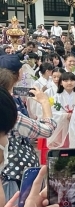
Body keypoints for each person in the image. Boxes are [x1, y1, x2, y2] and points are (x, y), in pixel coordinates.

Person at [0, 57, 56, 199]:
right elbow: (46, 130)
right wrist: (44, 102)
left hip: (11, 171)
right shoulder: (10, 111)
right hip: (14, 174)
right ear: (19, 74)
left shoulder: (12, 97)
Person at [46, 71, 75, 151]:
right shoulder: (56, 97)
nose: (69, 83)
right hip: (61, 128)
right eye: (66, 80)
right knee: (62, 149)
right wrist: (65, 115)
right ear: (61, 83)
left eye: (72, 80)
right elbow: (52, 113)